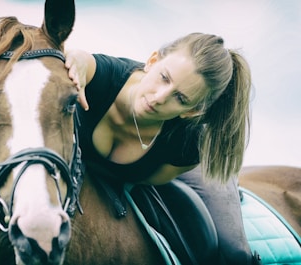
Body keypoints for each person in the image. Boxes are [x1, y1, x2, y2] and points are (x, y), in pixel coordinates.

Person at [65, 33, 257, 264]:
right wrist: (71, 60)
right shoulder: (106, 76)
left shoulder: (188, 145)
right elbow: (83, 62)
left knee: (234, 254)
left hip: (177, 166)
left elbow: (148, 180)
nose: (159, 98)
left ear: (191, 111)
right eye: (164, 78)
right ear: (153, 61)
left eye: (180, 98)